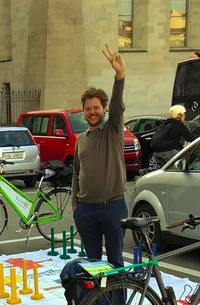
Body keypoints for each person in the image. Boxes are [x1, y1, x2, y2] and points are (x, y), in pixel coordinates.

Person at [71, 44, 128, 268]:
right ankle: (97, 304)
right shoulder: (80, 139)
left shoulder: (112, 129)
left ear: (104, 109)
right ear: (83, 110)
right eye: (88, 108)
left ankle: (118, 303)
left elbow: (117, 105)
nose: (92, 112)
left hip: (112, 207)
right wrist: (75, 205)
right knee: (93, 265)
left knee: (115, 262)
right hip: (86, 210)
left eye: (96, 107)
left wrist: (119, 75)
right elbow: (76, 174)